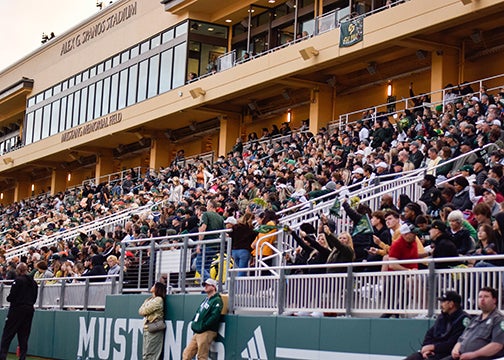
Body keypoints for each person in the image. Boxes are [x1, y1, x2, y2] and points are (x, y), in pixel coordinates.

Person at [441, 287, 504, 360]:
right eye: (480, 297)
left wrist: (474, 354)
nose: (482, 299)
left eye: (486, 297)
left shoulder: (499, 320)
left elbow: (497, 345)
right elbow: (461, 339)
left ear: (494, 300)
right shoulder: (474, 320)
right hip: (460, 357)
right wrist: (455, 349)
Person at [403, 291, 469, 360]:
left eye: (443, 302)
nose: (441, 305)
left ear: (451, 304)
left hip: (447, 355)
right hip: (433, 352)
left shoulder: (463, 320)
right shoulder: (442, 317)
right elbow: (430, 334)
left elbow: (452, 343)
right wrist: (426, 349)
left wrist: (433, 347)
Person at [0, 263, 38, 360]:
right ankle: (22, 357)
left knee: (8, 334)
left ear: (19, 271)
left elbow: (12, 296)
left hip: (17, 309)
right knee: (24, 335)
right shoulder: (33, 283)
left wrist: (9, 298)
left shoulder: (18, 281)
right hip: (29, 309)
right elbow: (34, 298)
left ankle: (2, 355)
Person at [182, 278, 223, 360]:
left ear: (214, 287)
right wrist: (194, 323)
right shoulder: (206, 300)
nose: (206, 287)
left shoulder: (217, 300)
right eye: (205, 285)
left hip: (207, 331)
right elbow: (198, 313)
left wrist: (204, 326)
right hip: (198, 331)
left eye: (208, 285)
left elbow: (214, 316)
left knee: (202, 356)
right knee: (186, 353)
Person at [139, 281, 166, 360]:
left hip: (154, 328)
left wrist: (145, 310)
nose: (152, 286)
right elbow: (140, 311)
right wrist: (144, 310)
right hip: (146, 328)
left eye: (154, 285)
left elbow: (145, 311)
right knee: (145, 354)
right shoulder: (149, 299)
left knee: (151, 355)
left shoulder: (159, 300)